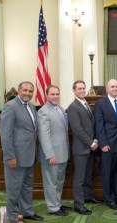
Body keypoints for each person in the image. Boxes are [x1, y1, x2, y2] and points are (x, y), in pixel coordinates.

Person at [0, 81, 44, 223]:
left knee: (27, 187)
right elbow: (6, 135)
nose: (27, 93)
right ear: (19, 91)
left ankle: (27, 212)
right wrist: (10, 156)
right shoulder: (10, 107)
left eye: (30, 91)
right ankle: (13, 217)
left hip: (30, 156)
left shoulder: (31, 106)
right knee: (14, 189)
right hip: (16, 157)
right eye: (25, 90)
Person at [67, 80, 103, 215]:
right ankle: (78, 204)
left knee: (88, 176)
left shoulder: (86, 104)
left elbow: (90, 126)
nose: (82, 91)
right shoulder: (73, 107)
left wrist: (94, 140)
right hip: (81, 149)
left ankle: (88, 196)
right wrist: (91, 143)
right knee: (79, 178)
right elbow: (77, 130)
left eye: (83, 88)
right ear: (74, 91)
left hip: (90, 147)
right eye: (79, 89)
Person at [37, 85, 71, 216]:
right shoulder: (43, 112)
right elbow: (44, 136)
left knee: (59, 181)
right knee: (51, 182)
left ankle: (57, 203)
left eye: (57, 94)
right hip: (52, 155)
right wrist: (50, 154)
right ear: (47, 95)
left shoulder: (60, 109)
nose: (56, 96)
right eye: (53, 94)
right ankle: (52, 207)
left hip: (63, 152)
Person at [94, 79, 117, 210]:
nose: (115, 89)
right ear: (107, 89)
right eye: (112, 86)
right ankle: (109, 199)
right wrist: (102, 143)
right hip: (108, 145)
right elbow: (99, 125)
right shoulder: (100, 104)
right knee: (107, 174)